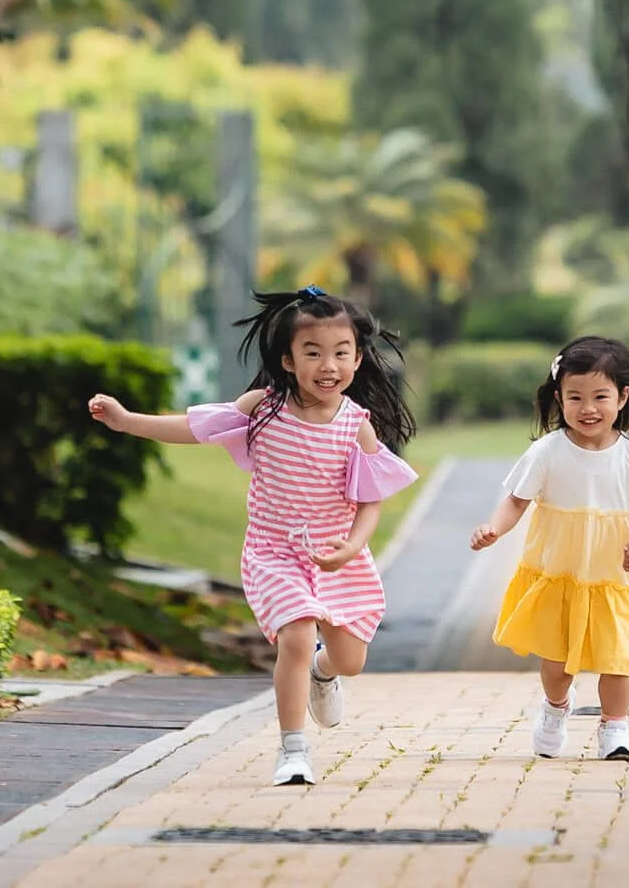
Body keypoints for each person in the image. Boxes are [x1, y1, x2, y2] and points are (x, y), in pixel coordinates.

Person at [88, 285, 418, 787]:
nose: (327, 365)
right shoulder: (263, 408)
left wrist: (351, 546)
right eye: (312, 353)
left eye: (340, 353)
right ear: (287, 360)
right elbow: (195, 428)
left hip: (338, 554)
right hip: (275, 552)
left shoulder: (357, 425)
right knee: (298, 635)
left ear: (356, 360)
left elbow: (371, 499)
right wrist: (126, 421)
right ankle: (293, 750)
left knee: (350, 660)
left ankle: (323, 676)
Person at [470, 335, 629, 762]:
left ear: (623, 397)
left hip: (613, 579)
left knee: (618, 659)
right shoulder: (547, 452)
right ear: (558, 398)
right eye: (574, 397)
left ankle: (614, 729)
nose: (588, 408)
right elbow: (516, 500)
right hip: (559, 575)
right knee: (558, 666)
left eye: (600, 396)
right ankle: (556, 707)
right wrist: (495, 529)